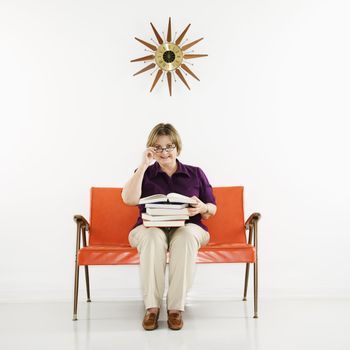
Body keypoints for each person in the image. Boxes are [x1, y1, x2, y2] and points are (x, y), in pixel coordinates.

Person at [121, 123, 217, 331]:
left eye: (169, 146)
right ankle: (152, 308)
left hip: (188, 227)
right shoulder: (144, 171)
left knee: (184, 236)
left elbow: (211, 210)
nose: (164, 152)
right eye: (158, 148)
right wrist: (143, 165)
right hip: (150, 227)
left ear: (177, 148)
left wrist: (202, 206)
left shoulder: (195, 173)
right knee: (152, 237)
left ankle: (175, 308)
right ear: (151, 150)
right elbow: (129, 199)